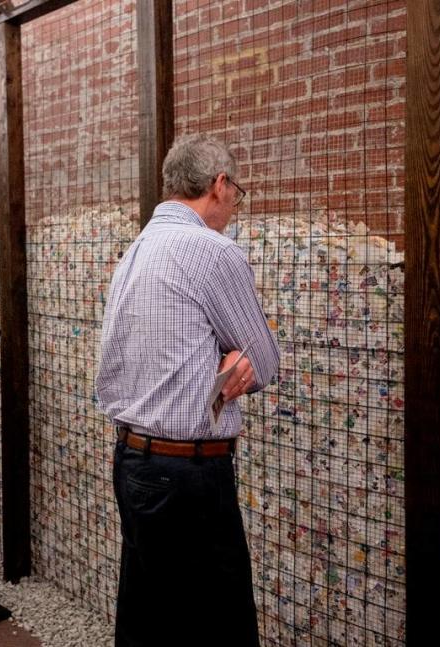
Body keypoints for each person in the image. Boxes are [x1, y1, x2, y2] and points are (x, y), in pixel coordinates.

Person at [96, 133, 280, 647]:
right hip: (190, 472)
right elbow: (264, 360)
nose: (234, 207)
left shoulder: (137, 249)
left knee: (146, 614)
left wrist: (225, 354)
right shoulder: (212, 251)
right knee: (218, 621)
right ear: (219, 186)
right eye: (236, 194)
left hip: (132, 460)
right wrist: (237, 356)